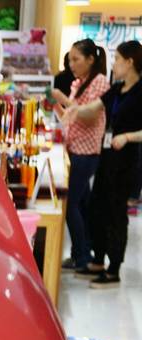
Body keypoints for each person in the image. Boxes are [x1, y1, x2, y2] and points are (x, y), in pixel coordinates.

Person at [63, 40, 142, 287]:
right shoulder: (117, 89)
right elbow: (95, 107)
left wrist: (128, 137)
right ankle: (97, 259)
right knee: (98, 207)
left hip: (127, 160)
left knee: (116, 213)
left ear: (130, 62)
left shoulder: (140, 92)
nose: (114, 64)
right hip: (107, 156)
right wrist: (74, 110)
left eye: (117, 59)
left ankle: (113, 269)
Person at [52, 39, 109, 273]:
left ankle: (81, 256)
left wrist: (63, 99)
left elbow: (89, 116)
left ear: (90, 60)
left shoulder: (100, 82)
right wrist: (54, 103)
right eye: (70, 59)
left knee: (70, 204)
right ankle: (84, 252)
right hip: (74, 149)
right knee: (81, 204)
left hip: (86, 153)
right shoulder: (79, 83)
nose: (71, 64)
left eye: (76, 59)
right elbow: (70, 116)